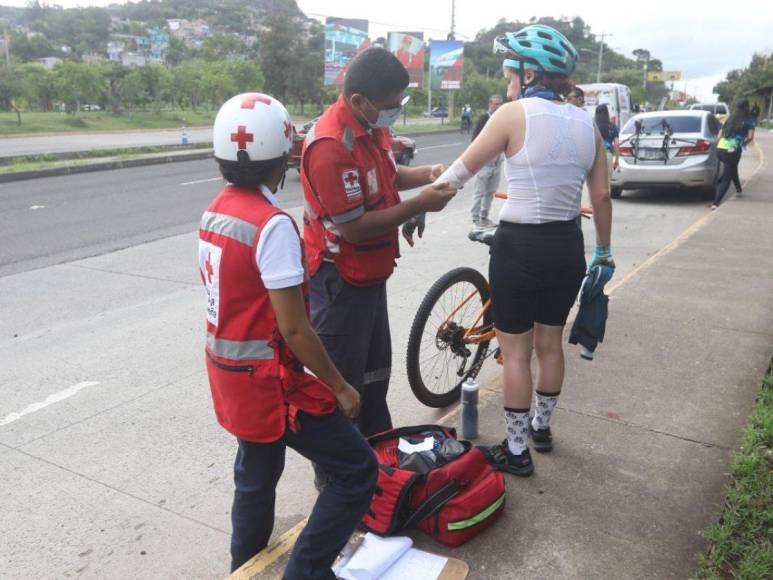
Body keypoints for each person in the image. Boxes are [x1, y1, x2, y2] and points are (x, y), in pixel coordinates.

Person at [199, 92, 377, 578]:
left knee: (256, 476)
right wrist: (340, 387)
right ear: (283, 158)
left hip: (230, 373)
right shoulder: (272, 226)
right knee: (357, 471)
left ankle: (244, 568)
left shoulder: (216, 209)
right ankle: (306, 572)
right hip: (272, 383)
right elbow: (295, 328)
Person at [434, 24, 613, 476]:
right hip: (567, 246)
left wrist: (418, 206)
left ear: (529, 71)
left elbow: (459, 173)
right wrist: (604, 252)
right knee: (549, 345)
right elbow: (603, 197)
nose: (505, 78)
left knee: (515, 353)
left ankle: (516, 452)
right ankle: (542, 428)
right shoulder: (586, 124)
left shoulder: (512, 115)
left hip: (519, 247)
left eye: (509, 69)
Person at [301, 48, 456, 441]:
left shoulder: (371, 127)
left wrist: (424, 175)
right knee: (343, 376)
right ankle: (339, 471)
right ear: (359, 100)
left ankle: (375, 446)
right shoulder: (331, 146)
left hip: (370, 275)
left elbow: (385, 175)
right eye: (390, 106)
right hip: (339, 282)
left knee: (374, 369)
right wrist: (419, 204)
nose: (394, 113)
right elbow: (353, 228)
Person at [470, 94, 505, 231]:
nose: (497, 106)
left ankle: (484, 217)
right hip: (485, 163)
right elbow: (474, 140)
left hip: (497, 163)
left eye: (500, 104)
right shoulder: (484, 119)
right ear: (490, 104)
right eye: (495, 104)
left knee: (490, 192)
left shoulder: (503, 120)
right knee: (479, 192)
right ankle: (475, 218)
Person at [712, 98, 755, 209]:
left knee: (732, 167)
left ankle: (738, 189)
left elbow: (719, 134)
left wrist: (721, 143)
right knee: (727, 178)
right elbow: (750, 137)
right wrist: (742, 143)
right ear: (747, 106)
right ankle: (715, 203)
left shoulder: (730, 117)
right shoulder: (749, 119)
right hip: (732, 151)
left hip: (720, 149)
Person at [595, 104, 620, 183]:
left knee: (595, 184)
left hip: (595, 156)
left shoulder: (593, 126)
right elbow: (616, 144)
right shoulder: (613, 127)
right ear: (607, 113)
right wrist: (616, 161)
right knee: (607, 183)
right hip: (608, 155)